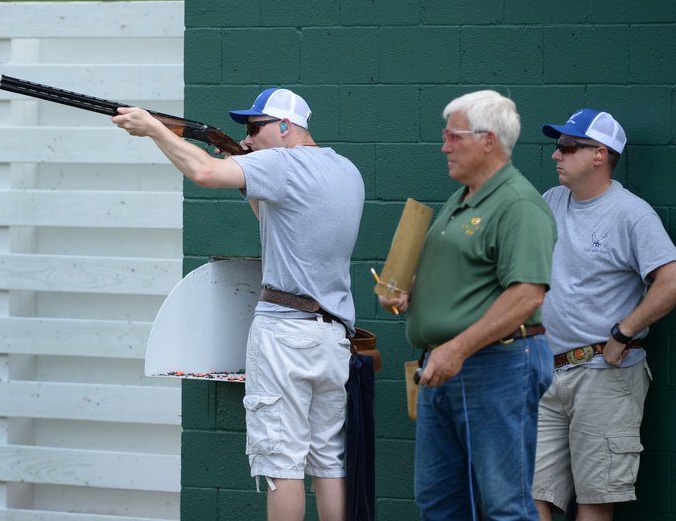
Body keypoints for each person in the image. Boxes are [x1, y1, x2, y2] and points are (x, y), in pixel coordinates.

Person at [112, 87, 365, 521]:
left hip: (285, 333)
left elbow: (205, 173)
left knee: (280, 464)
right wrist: (244, 163)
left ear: (285, 126)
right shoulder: (346, 170)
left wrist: (154, 129)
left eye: (255, 128)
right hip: (332, 338)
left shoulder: (282, 163)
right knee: (328, 463)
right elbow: (278, 222)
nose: (247, 138)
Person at [377, 89, 557, 520]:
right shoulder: (460, 200)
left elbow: (527, 294)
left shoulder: (518, 204)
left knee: (504, 505)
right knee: (439, 502)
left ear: (488, 140)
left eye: (454, 136)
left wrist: (456, 349)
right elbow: (468, 281)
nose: (444, 146)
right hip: (443, 369)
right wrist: (412, 292)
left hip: (495, 365)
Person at [532, 109, 676, 521]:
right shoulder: (551, 200)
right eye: (558, 146)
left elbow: (670, 280)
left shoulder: (632, 214)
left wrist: (624, 332)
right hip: (547, 371)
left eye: (567, 146)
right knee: (528, 495)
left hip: (605, 376)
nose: (556, 155)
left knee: (594, 500)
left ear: (599, 155)